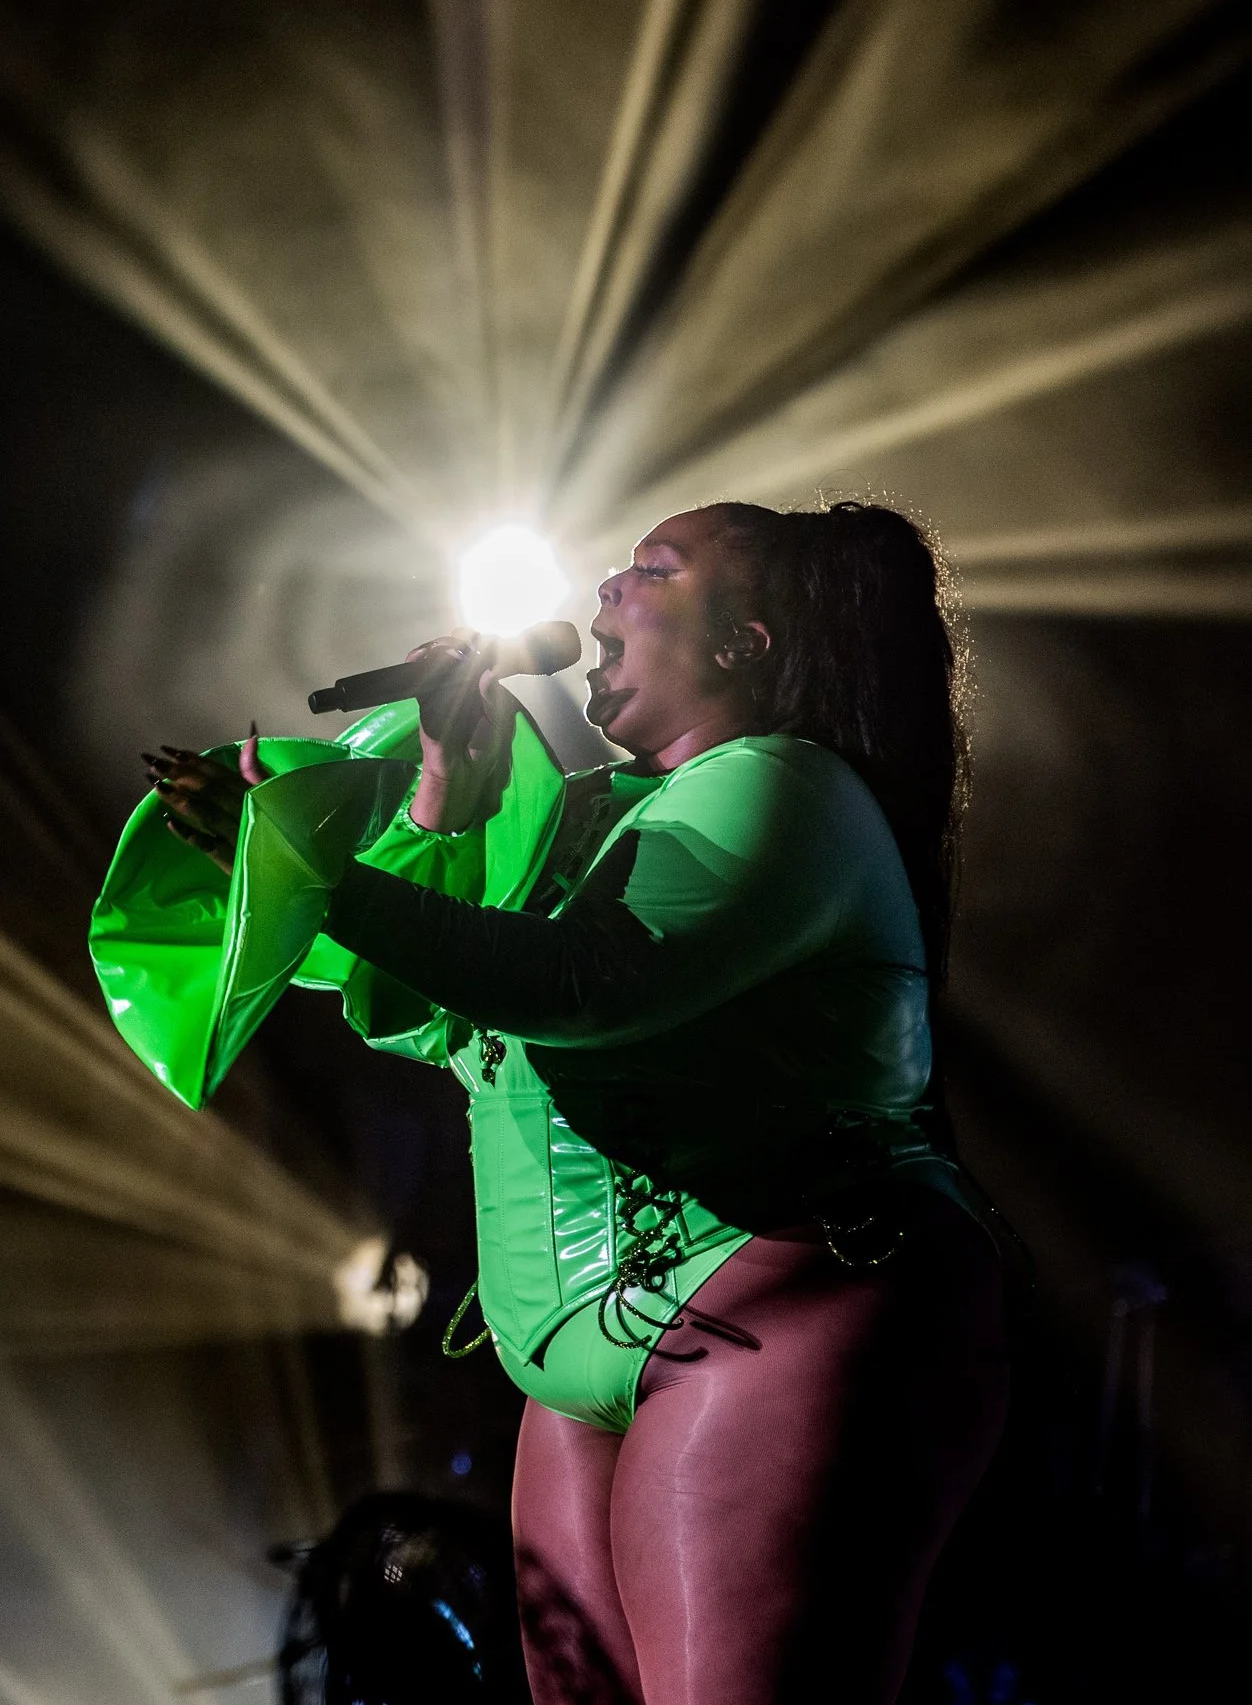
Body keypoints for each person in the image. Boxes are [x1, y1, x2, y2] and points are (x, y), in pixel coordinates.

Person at [105, 502, 1010, 1704]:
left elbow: (581, 984)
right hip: (584, 1361)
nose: (601, 597)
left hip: (774, 1309)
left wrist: (306, 871)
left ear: (743, 641)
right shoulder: (595, 815)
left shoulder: (784, 790)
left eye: (649, 573)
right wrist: (444, 791)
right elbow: (440, 1016)